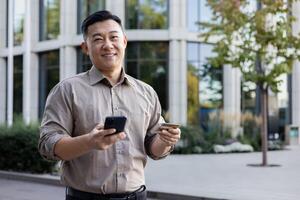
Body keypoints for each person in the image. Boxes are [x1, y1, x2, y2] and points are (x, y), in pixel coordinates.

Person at [38, 10, 181, 200]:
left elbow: (152, 148)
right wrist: (89, 141)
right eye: (97, 39)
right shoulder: (66, 90)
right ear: (85, 47)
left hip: (137, 196)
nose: (108, 45)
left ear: (124, 41)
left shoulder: (146, 92)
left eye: (114, 37)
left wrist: (165, 141)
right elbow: (48, 145)